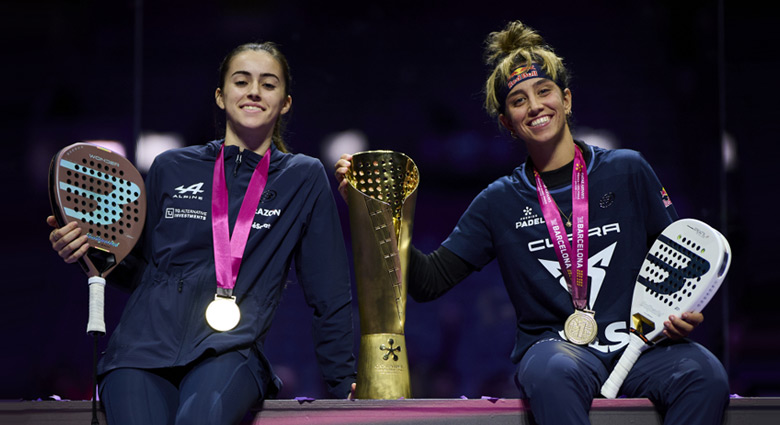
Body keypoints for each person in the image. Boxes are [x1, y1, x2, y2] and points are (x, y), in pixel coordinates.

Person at [335, 21, 728, 424]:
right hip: (558, 352)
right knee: (551, 371)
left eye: (544, 91)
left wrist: (682, 315)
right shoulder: (499, 201)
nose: (535, 106)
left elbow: (678, 263)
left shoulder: (627, 170)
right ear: (507, 122)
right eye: (519, 100)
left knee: (705, 375)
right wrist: (373, 215)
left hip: (641, 347)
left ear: (567, 99)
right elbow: (428, 281)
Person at [48, 41, 357, 425]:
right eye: (241, 81)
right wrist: (88, 253)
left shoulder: (303, 177)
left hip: (230, 351)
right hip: (139, 350)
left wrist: (344, 382)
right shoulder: (170, 167)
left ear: (286, 102)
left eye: (269, 83)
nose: (254, 92)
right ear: (221, 96)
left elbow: (328, 291)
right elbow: (139, 268)